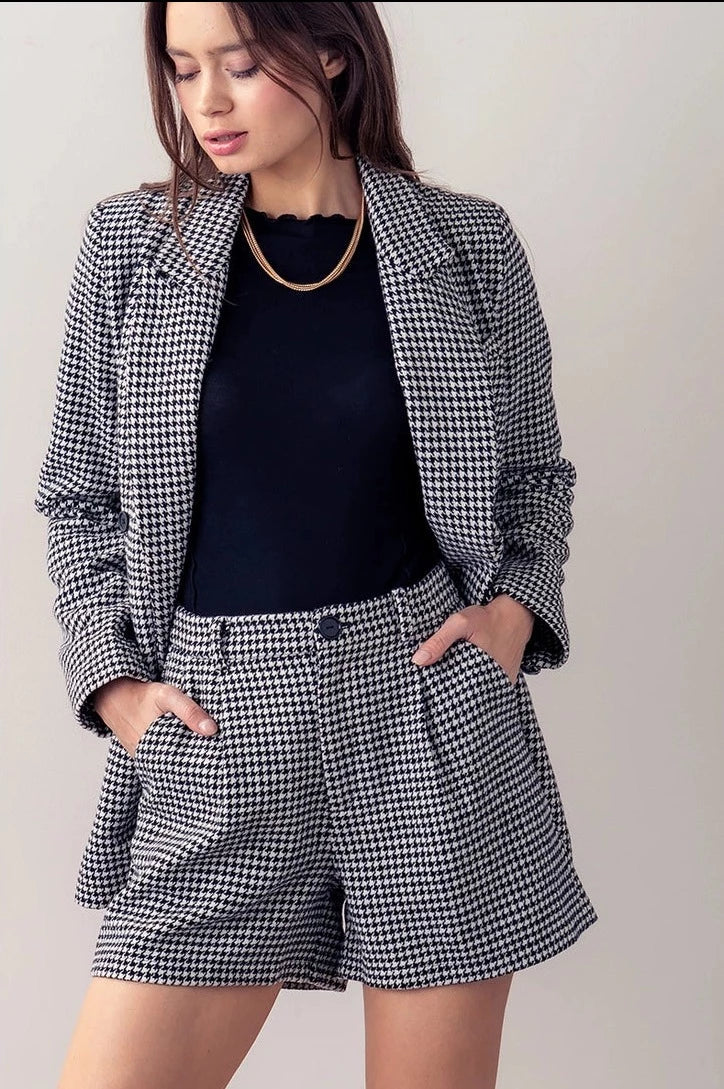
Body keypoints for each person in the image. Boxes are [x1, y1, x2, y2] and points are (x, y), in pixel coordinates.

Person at [35, 3, 598, 1087]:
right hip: (219, 722)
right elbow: (81, 494)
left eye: (242, 65)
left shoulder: (468, 244)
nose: (206, 102)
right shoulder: (130, 247)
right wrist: (114, 683)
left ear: (331, 53)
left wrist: (514, 613)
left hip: (425, 715)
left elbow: (533, 477)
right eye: (183, 68)